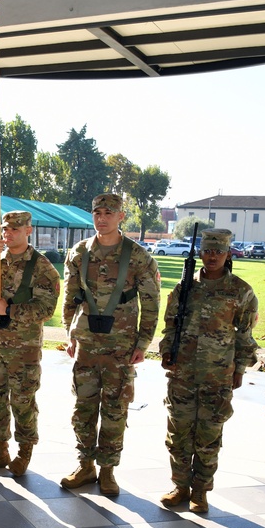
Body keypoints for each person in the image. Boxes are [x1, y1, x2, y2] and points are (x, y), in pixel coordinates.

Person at [60, 193, 160, 496]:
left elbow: (152, 302)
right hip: (87, 344)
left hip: (122, 346)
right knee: (84, 408)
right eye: (96, 213)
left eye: (108, 212)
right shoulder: (79, 253)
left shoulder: (138, 256)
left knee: (116, 411)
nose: (101, 218)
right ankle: (86, 466)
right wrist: (70, 334)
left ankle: (107, 470)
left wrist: (143, 341)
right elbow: (70, 297)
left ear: (121, 217)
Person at [158, 228, 258, 513]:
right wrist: (167, 352)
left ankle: (200, 491)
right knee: (178, 433)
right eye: (208, 251)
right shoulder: (184, 288)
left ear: (228, 254)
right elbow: (170, 325)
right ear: (200, 253)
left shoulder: (240, 290)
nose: (212, 256)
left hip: (217, 374)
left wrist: (239, 367)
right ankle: (180, 486)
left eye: (218, 251)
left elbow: (245, 334)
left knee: (208, 436)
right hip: (183, 373)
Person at [0, 211, 60, 476]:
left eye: (15, 229)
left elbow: (46, 309)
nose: (8, 233)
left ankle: (24, 452)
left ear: (28, 230)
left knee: (23, 401)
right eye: (5, 229)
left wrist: (10, 310)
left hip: (23, 347)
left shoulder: (42, 267)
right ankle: (0, 450)